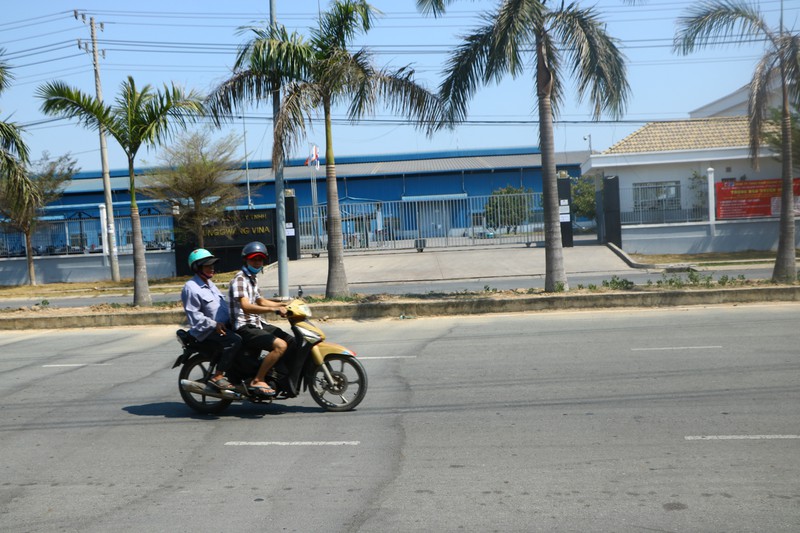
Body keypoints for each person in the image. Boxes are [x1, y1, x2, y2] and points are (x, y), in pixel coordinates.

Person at [229, 241, 289, 396]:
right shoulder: (240, 279)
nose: (257, 262)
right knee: (280, 346)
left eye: (260, 259)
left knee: (290, 340)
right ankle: (258, 379)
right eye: (253, 259)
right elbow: (246, 306)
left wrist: (284, 303)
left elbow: (260, 301)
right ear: (246, 260)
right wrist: (273, 309)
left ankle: (278, 376)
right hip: (244, 327)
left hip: (256, 323)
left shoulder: (252, 279)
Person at [181, 248, 241, 391]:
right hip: (206, 331)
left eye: (212, 265)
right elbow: (195, 317)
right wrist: (215, 324)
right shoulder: (191, 288)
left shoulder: (210, 284)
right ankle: (218, 376)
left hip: (222, 326)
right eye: (207, 265)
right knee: (234, 341)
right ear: (197, 267)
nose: (212, 268)